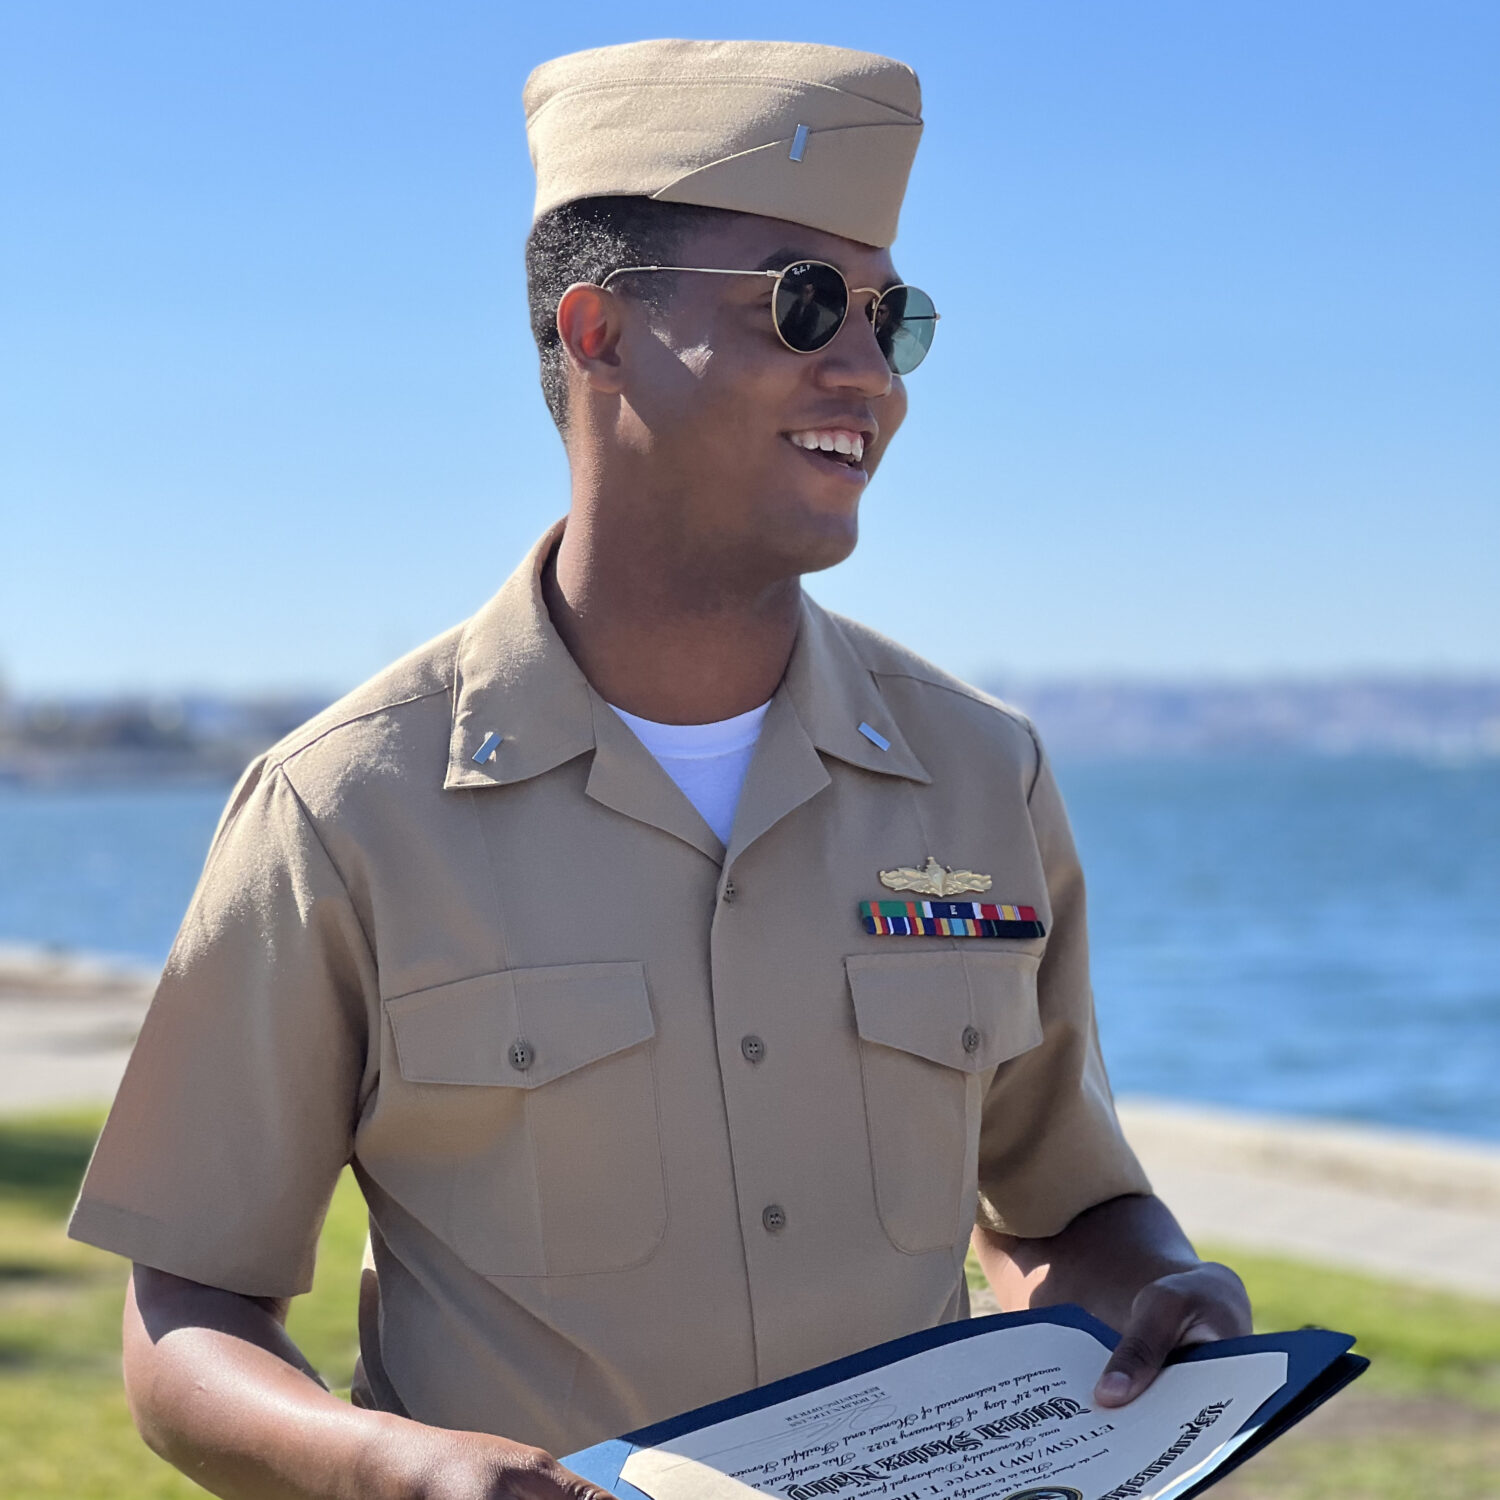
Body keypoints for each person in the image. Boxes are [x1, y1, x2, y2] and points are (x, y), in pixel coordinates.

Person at [68, 39, 1251, 1500]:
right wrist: (400, 1469)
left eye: (898, 320)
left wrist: (1160, 1287)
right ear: (600, 331)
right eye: (806, 304)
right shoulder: (343, 811)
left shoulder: (979, 774)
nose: (869, 375)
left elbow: (1063, 1205)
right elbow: (183, 1323)